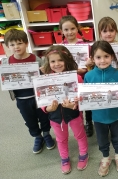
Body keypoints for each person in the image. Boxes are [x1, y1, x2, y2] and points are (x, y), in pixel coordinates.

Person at [2, 29, 55, 154]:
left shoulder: (36, 59)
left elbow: (46, 75)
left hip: (38, 96)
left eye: (19, 43)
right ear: (8, 46)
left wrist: (44, 71)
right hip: (22, 99)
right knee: (29, 120)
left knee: (44, 117)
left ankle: (46, 134)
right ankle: (37, 137)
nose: (16, 47)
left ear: (26, 43)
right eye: (12, 44)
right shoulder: (6, 63)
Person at [84, 41, 118, 176]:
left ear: (112, 57)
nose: (102, 60)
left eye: (106, 56)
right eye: (98, 57)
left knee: (117, 137)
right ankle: (105, 157)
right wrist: (82, 99)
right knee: (102, 139)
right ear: (92, 58)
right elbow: (85, 95)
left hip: (115, 114)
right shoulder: (89, 76)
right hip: (98, 117)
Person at [42, 45, 88, 174]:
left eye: (60, 60)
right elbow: (42, 100)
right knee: (61, 139)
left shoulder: (77, 78)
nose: (57, 64)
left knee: (79, 135)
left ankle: (84, 154)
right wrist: (47, 108)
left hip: (73, 114)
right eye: (53, 61)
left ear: (67, 60)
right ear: (48, 62)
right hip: (55, 116)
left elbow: (82, 97)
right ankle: (64, 158)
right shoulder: (45, 80)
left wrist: (74, 105)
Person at [86, 16, 118, 138]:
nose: (108, 34)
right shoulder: (96, 48)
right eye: (105, 31)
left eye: (112, 30)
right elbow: (92, 71)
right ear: (100, 32)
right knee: (102, 105)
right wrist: (88, 64)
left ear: (116, 31)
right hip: (101, 83)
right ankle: (102, 125)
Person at [58, 15, 92, 137]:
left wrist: (89, 65)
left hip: (84, 77)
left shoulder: (86, 45)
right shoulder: (60, 48)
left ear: (77, 28)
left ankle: (88, 121)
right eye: (66, 30)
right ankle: (79, 122)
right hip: (70, 80)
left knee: (85, 101)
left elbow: (92, 64)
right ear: (61, 31)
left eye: (72, 28)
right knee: (74, 102)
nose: (70, 32)